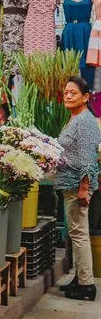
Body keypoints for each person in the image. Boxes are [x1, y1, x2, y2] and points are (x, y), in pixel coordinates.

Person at [56, 77, 100, 301]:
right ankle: (80, 277)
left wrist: (84, 187)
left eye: (73, 93)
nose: (68, 95)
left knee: (80, 234)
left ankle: (86, 285)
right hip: (71, 184)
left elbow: (87, 158)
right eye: (66, 92)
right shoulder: (77, 118)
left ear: (85, 97)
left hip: (77, 185)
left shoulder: (84, 120)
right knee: (76, 233)